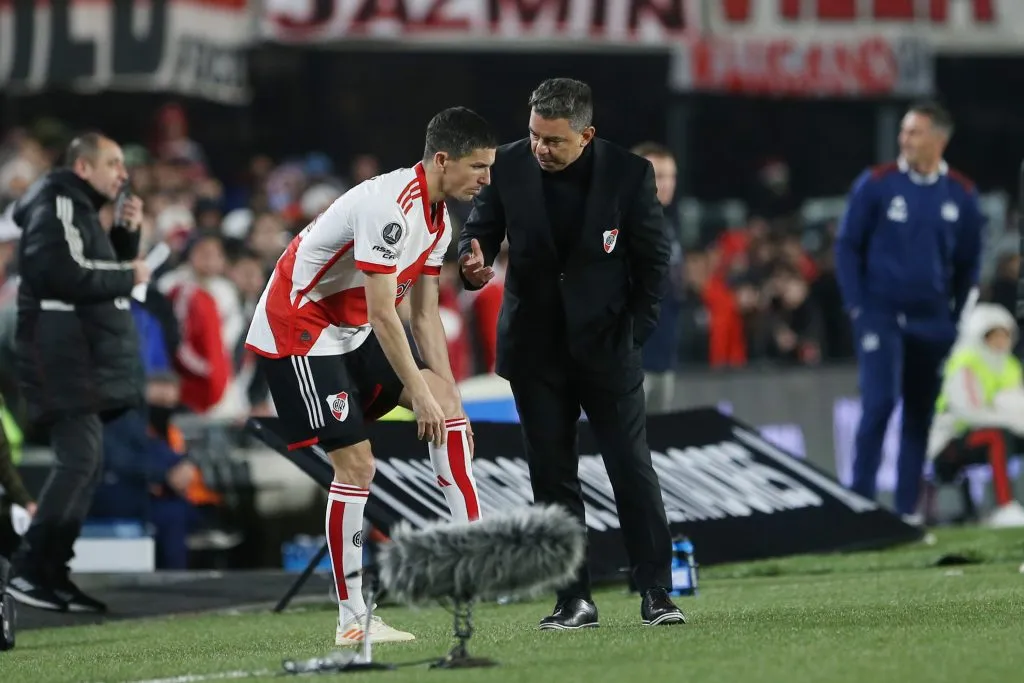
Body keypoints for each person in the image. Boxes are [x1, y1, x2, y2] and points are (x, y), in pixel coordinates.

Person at [244, 107, 495, 646]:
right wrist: (419, 396)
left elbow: (424, 316)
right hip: (301, 329)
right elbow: (386, 313)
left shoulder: (439, 221)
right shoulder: (389, 207)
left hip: (351, 328)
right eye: (478, 166)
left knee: (448, 398)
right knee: (357, 465)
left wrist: (444, 398)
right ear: (443, 159)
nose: (486, 179)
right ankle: (352, 620)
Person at [458, 78, 685, 630]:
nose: (541, 148)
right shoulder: (507, 165)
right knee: (551, 476)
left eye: (554, 140)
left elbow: (654, 261)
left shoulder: (629, 174)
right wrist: (472, 262)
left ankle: (656, 591)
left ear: (586, 134)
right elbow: (477, 232)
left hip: (607, 347)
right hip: (535, 350)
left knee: (630, 467)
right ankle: (572, 598)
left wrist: (633, 333)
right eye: (535, 135)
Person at [6, 132, 150, 612]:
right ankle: (29, 570)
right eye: (113, 163)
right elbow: (62, 272)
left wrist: (125, 236)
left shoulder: (79, 209)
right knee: (79, 461)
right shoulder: (58, 202)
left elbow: (93, 269)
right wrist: (130, 274)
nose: (122, 174)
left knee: (86, 463)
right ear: (83, 167)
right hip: (60, 355)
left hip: (77, 357)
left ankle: (51, 572)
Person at [835, 101, 985, 522]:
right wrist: (858, 306)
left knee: (919, 415)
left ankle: (905, 513)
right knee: (880, 402)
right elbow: (847, 245)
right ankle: (861, 506)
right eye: (904, 131)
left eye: (914, 132)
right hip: (880, 315)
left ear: (939, 140)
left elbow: (969, 263)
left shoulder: (961, 193)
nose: (904, 140)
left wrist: (955, 317)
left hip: (933, 321)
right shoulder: (876, 183)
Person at [925, 303, 1024, 527]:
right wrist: (1012, 421)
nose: (1000, 342)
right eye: (994, 336)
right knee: (996, 436)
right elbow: (969, 413)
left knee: (1002, 435)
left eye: (1004, 335)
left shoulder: (1010, 366)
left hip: (997, 431)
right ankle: (1004, 507)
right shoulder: (965, 363)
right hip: (951, 441)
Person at [631, 142, 683, 412]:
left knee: (658, 433)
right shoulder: (618, 225)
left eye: (671, 176)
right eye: (659, 176)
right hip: (630, 361)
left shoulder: (667, 226)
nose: (667, 184)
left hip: (663, 356)